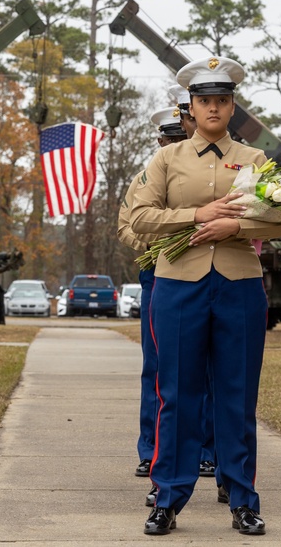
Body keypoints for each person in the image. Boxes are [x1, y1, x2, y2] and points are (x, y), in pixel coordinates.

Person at [130, 57, 281, 536]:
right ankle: (168, 497)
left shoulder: (256, 160)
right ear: (192, 108)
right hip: (178, 286)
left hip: (240, 286)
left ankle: (242, 498)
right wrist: (197, 216)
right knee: (177, 394)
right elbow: (140, 218)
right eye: (205, 101)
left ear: (232, 106)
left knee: (236, 395)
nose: (214, 108)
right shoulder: (166, 159)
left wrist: (236, 225)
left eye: (223, 100)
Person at [120, 105, 224, 508]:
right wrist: (152, 244)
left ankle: (208, 454)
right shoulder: (149, 174)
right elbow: (128, 223)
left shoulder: (214, 167)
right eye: (169, 139)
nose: (174, 144)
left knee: (214, 373)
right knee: (160, 369)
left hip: (212, 270)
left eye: (179, 136)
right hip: (161, 272)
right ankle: (153, 453)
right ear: (161, 141)